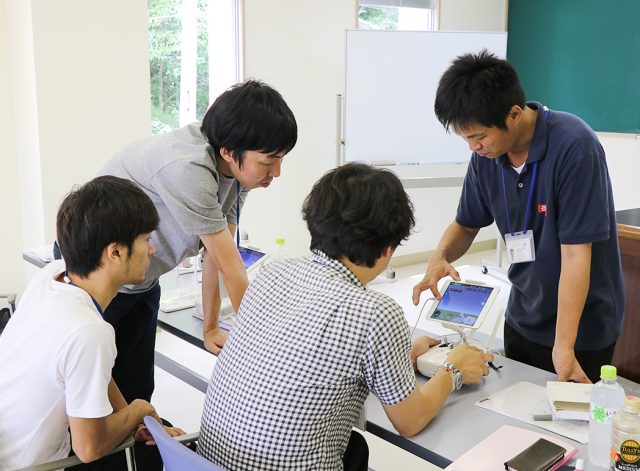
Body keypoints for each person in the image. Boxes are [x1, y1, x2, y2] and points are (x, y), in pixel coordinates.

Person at [197, 163, 492, 471]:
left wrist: (401, 355)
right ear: (387, 249)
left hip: (206, 463)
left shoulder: (274, 271)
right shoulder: (376, 312)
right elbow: (411, 420)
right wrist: (453, 370)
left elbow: (315, 358)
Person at [412, 50, 624, 384]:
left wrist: (564, 348)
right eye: (465, 138)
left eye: (478, 136)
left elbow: (575, 253)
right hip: (524, 315)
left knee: (572, 428)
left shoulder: (574, 147)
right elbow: (467, 223)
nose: (473, 147)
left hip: (580, 328)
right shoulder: (487, 156)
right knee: (516, 413)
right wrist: (440, 256)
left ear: (513, 114)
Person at [98, 80, 298, 404]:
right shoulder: (187, 168)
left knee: (136, 396)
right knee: (93, 399)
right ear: (230, 153)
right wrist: (264, 350)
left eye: (281, 159)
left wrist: (211, 327)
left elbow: (220, 255)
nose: (276, 171)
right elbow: (233, 269)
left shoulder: (236, 171)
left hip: (141, 281)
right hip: (97, 282)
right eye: (268, 161)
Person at [0, 176, 184, 470]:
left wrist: (134, 417)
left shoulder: (52, 276)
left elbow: (89, 369)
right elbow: (88, 448)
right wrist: (141, 408)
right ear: (115, 252)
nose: (152, 250)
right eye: (146, 240)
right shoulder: (90, 331)